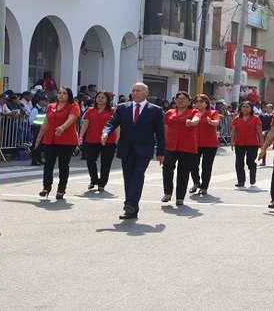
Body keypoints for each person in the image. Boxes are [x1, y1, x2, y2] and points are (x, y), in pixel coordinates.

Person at [102, 82, 165, 219]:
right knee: (128, 178)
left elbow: (160, 133)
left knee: (138, 174)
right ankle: (131, 209)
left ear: (146, 93)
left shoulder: (155, 110)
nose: (135, 93)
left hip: (144, 149)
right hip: (126, 148)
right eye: (133, 90)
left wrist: (161, 152)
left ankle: (130, 203)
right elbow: (112, 122)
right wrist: (106, 133)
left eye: (138, 90)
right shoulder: (122, 108)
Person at [34, 87, 80, 200]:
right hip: (51, 139)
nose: (61, 95)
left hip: (67, 139)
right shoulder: (51, 106)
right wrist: (39, 138)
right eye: (59, 93)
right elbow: (46, 122)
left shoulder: (73, 106)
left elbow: (71, 118)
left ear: (69, 96)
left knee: (63, 165)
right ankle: (46, 187)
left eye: (64, 93)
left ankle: (61, 189)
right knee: (48, 163)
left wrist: (62, 127)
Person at [161, 91, 199, 205]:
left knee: (183, 171)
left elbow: (197, 119)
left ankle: (180, 197)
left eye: (184, 99)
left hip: (187, 145)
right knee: (167, 167)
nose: (181, 101)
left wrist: (192, 122)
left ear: (189, 102)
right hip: (171, 145)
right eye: (178, 99)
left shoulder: (194, 112)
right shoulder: (169, 113)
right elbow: (165, 129)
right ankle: (167, 193)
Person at [78, 91, 119, 192]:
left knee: (106, 162)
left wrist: (118, 137)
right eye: (98, 97)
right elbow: (85, 124)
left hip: (109, 140)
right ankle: (94, 179)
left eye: (103, 97)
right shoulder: (90, 110)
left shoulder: (113, 111)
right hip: (92, 139)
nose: (100, 99)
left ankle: (102, 183)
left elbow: (116, 125)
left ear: (107, 100)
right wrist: (80, 136)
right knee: (90, 160)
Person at [189, 94, 220, 195]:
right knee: (193, 164)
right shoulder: (193, 113)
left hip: (210, 143)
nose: (198, 103)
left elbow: (216, 122)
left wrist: (211, 122)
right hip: (194, 142)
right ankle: (196, 182)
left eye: (201, 101)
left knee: (206, 166)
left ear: (207, 103)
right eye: (197, 101)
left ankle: (204, 186)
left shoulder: (212, 112)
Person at [230, 101, 263, 187]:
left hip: (252, 143)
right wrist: (232, 141)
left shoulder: (256, 119)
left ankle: (252, 172)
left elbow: (259, 132)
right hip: (239, 143)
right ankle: (241, 180)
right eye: (243, 107)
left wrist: (262, 143)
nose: (245, 108)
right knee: (239, 162)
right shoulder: (236, 119)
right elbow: (233, 131)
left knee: (250, 161)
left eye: (247, 107)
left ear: (251, 108)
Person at [28, 95, 48, 166]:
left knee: (40, 145)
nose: (46, 102)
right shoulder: (35, 109)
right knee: (35, 145)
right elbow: (31, 120)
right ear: (40, 101)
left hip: (41, 129)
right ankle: (34, 160)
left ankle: (39, 159)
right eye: (45, 101)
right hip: (36, 129)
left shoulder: (42, 109)